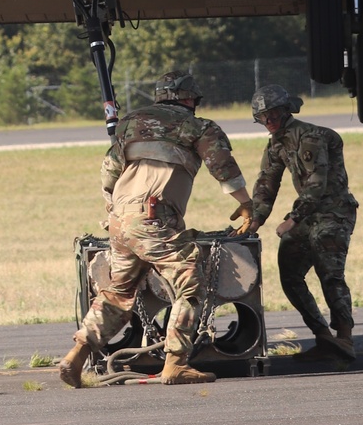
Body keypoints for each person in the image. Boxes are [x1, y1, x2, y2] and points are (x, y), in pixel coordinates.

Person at [59, 70, 254, 388]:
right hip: (155, 219)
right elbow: (222, 166)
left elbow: (109, 172)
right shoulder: (198, 126)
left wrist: (114, 210)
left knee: (118, 294)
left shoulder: (131, 122)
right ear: (190, 99)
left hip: (121, 220)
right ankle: (176, 365)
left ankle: (76, 354)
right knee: (190, 287)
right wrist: (246, 204)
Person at [235, 84, 358, 360]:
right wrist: (255, 217)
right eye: (263, 118)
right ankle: (324, 337)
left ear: (286, 110)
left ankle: (345, 338)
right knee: (289, 275)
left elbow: (316, 183)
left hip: (333, 213)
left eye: (273, 115)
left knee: (330, 274)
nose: (268, 122)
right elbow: (267, 181)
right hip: (308, 215)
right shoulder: (276, 143)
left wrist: (292, 219)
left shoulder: (311, 137)